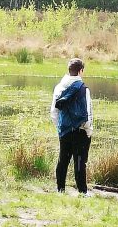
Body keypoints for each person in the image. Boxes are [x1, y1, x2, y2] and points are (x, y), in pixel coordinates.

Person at [50, 58, 93, 194]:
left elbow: (54, 112)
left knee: (63, 160)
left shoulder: (59, 87)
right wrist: (88, 130)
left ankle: (60, 190)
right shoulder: (83, 89)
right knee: (80, 162)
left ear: (69, 70)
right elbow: (88, 112)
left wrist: (60, 127)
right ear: (81, 71)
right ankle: (82, 192)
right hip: (80, 130)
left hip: (64, 130)